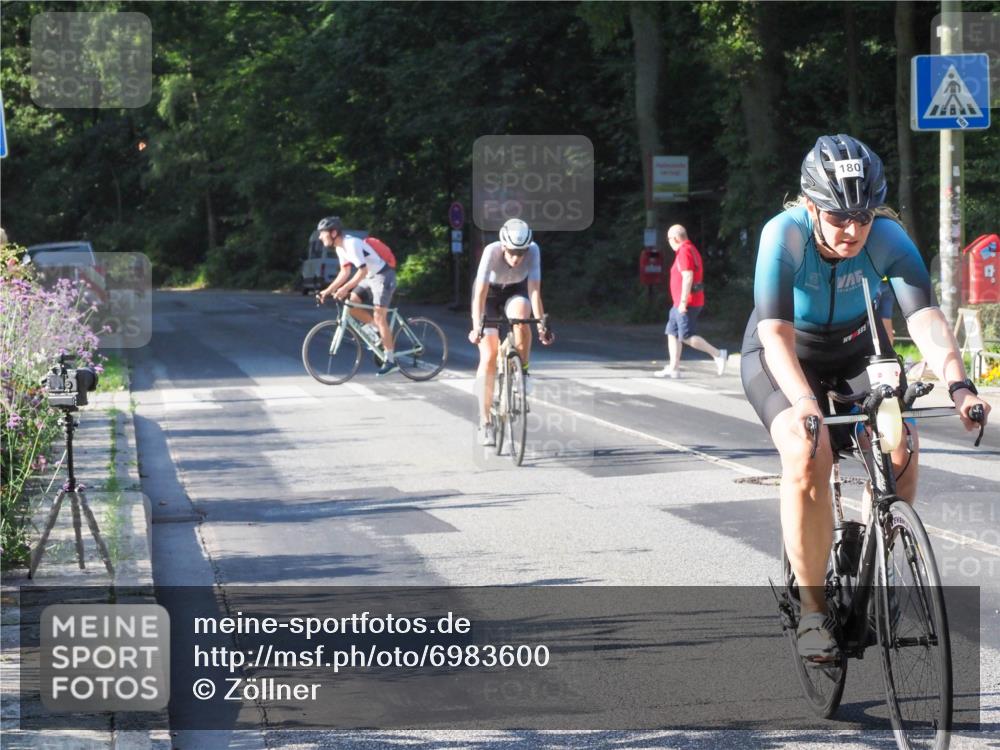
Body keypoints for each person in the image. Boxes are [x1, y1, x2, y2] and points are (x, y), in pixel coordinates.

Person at [739, 134, 990, 663]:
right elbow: (775, 334)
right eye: (837, 217)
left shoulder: (888, 236)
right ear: (811, 205)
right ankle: (811, 613)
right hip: (785, 353)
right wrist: (806, 403)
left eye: (864, 216)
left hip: (857, 349)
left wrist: (959, 383)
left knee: (902, 446)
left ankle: (877, 557)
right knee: (808, 452)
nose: (853, 230)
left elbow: (924, 318)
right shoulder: (782, 235)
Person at [468, 218, 554, 446]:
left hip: (515, 292)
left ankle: (522, 372)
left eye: (522, 252)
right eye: (513, 252)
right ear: (504, 246)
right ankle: (485, 422)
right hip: (489, 295)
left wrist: (541, 327)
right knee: (488, 355)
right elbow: (480, 295)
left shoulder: (534, 251)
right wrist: (477, 326)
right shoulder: (491, 252)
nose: (517, 258)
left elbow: (534, 291)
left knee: (523, 316)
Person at [315, 217, 399, 376]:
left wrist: (345, 288)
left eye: (322, 233)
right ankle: (378, 331)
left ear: (333, 233)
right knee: (351, 305)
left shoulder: (351, 244)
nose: (320, 237)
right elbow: (344, 272)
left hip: (383, 275)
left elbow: (362, 271)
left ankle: (390, 360)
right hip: (370, 277)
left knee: (379, 316)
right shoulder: (340, 248)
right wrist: (327, 290)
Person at [654, 225, 728, 378]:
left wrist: (682, 302)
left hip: (686, 302)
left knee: (686, 336)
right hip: (680, 302)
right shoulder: (689, 249)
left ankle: (718, 354)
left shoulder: (684, 251)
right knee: (671, 333)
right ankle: (674, 368)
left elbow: (688, 276)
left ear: (675, 238)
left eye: (668, 239)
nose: (668, 242)